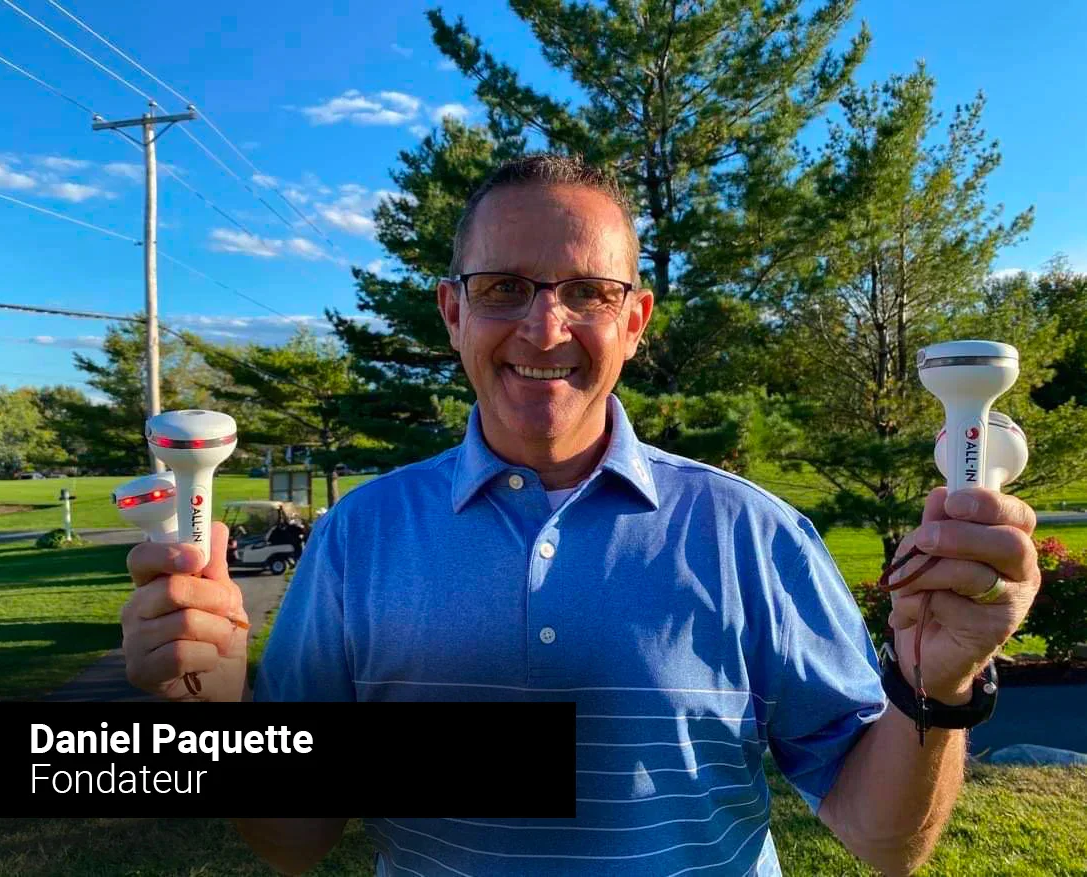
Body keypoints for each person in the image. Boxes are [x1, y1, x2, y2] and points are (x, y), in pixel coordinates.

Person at [122, 154, 1041, 876]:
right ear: (453, 311)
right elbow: (294, 840)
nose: (544, 326)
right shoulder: (360, 539)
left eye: (587, 293)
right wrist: (210, 710)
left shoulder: (750, 535)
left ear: (635, 320)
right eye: (503, 287)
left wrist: (940, 682)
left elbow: (886, 841)